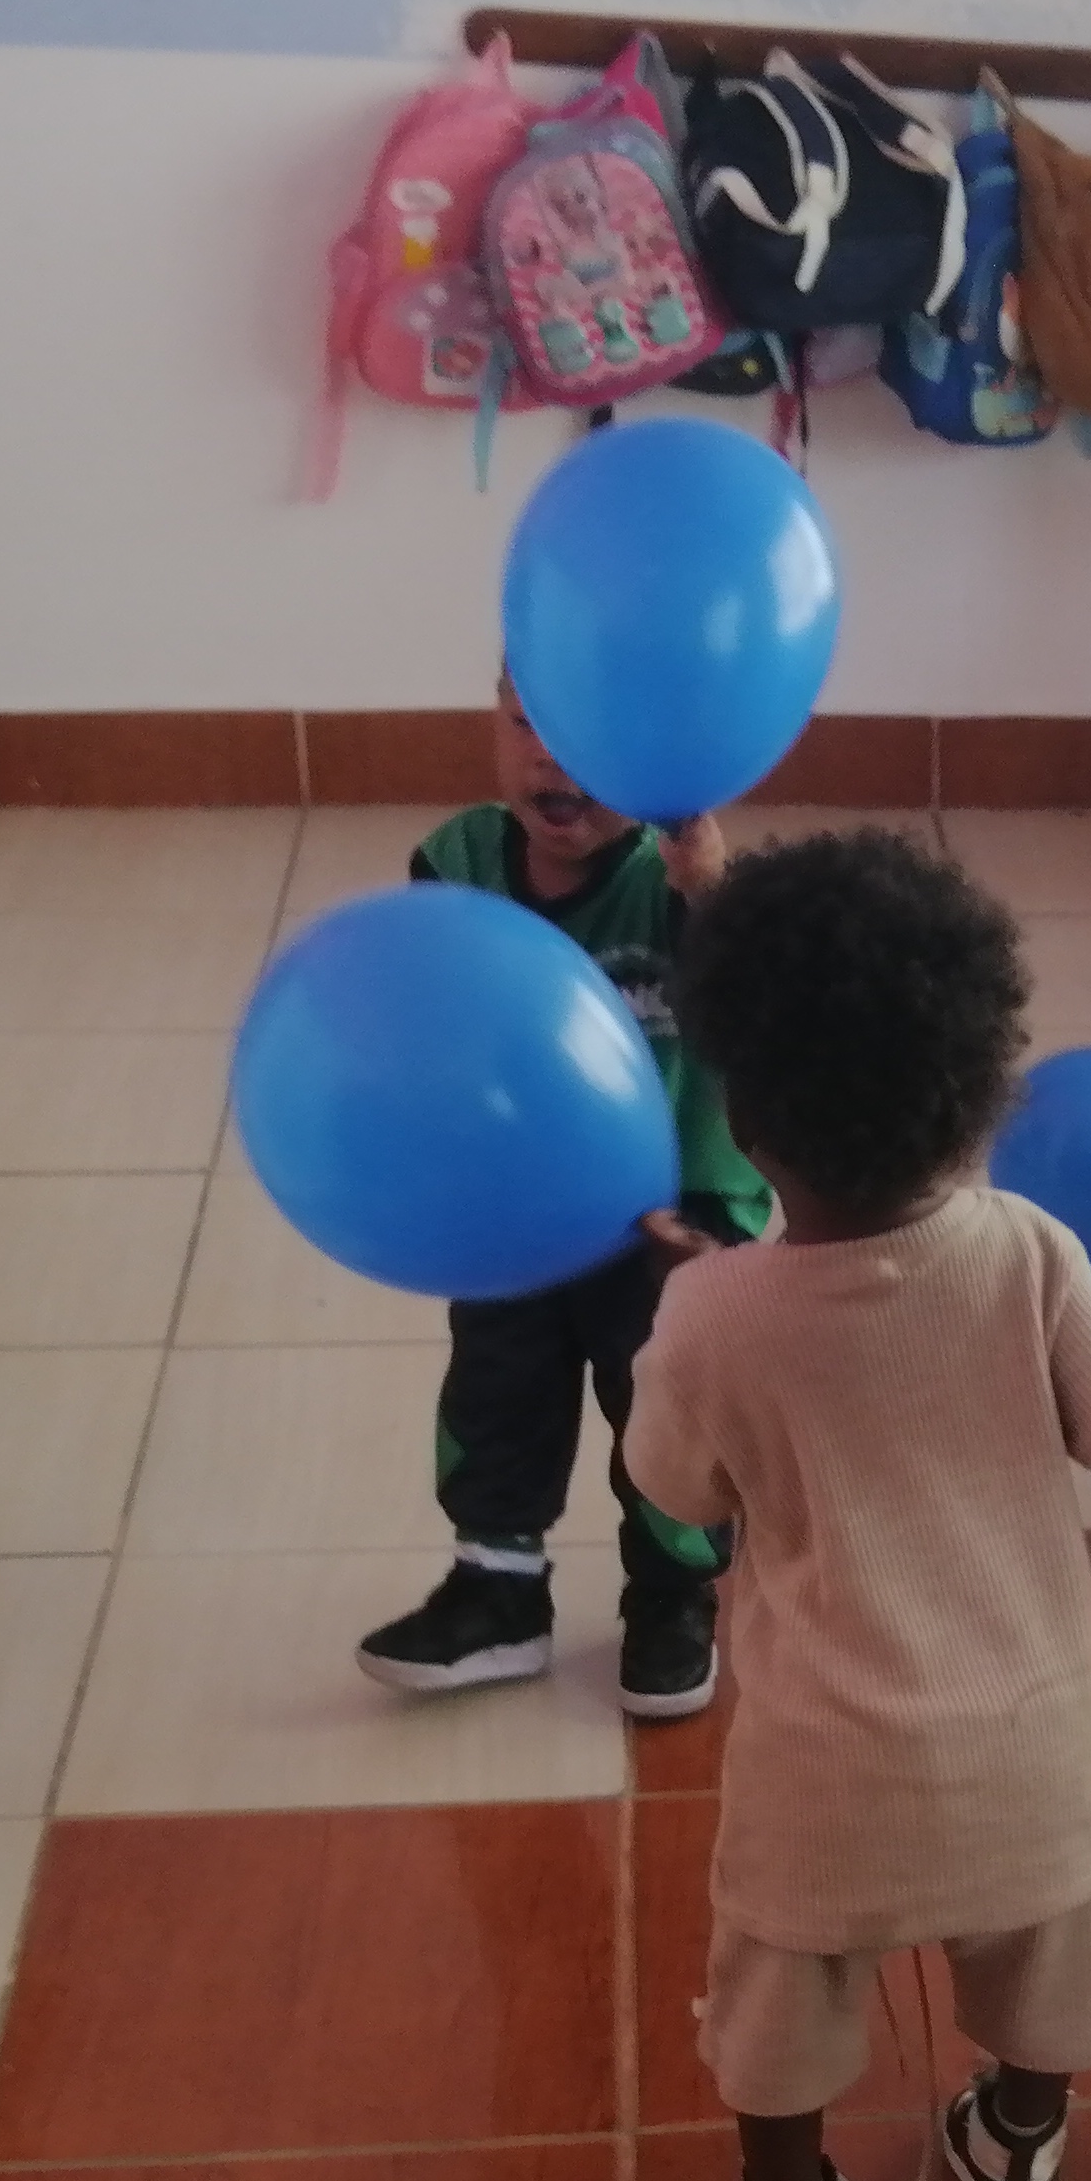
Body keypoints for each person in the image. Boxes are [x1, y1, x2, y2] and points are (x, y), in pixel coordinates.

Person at [624, 830, 1091, 2181]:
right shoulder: (1035, 1255)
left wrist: (687, 1318)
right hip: (1036, 1745)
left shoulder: (711, 1314)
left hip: (827, 1769)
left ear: (748, 1119)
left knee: (783, 1993)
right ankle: (1018, 2151)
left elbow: (676, 1494)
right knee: (1051, 1954)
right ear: (979, 1088)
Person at [354, 675, 764, 1716]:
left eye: (586, 729)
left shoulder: (680, 877)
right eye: (524, 723)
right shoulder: (457, 864)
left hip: (671, 1209)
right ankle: (497, 1588)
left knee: (662, 1396)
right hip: (519, 1202)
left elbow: (769, 1007)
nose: (550, 755)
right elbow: (431, 1022)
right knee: (497, 1381)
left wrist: (714, 894)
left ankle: (672, 1592)